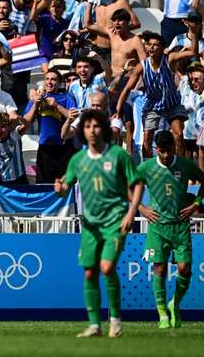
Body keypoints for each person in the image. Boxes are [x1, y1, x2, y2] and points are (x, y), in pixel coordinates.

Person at [55, 109, 143, 338]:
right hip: (90, 226)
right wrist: (59, 189)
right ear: (82, 131)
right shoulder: (78, 159)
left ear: (103, 129)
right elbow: (64, 188)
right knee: (89, 273)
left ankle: (115, 320)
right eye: (87, 127)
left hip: (115, 221)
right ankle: (94, 325)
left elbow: (137, 183)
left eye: (96, 126)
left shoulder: (117, 155)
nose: (92, 131)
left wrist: (131, 212)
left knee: (106, 268)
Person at [136, 130, 204, 329]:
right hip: (157, 226)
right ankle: (162, 314)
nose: (166, 155)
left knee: (185, 269)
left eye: (168, 150)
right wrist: (142, 208)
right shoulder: (147, 167)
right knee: (159, 268)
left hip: (180, 225)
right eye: (161, 151)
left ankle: (174, 303)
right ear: (156, 149)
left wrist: (195, 204)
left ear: (173, 147)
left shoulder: (184, 165)